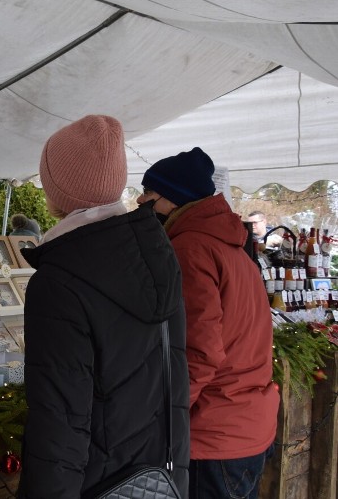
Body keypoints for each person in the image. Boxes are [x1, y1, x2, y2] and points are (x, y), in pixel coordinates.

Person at [18, 115, 190, 498]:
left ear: (56, 188)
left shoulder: (59, 280)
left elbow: (59, 425)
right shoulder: (157, 253)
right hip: (158, 481)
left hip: (95, 484)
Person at [138, 147, 278, 499]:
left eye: (149, 193)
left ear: (172, 199)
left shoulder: (190, 249)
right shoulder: (231, 248)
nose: (141, 200)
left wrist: (161, 422)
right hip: (244, 427)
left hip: (212, 434)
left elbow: (198, 353)